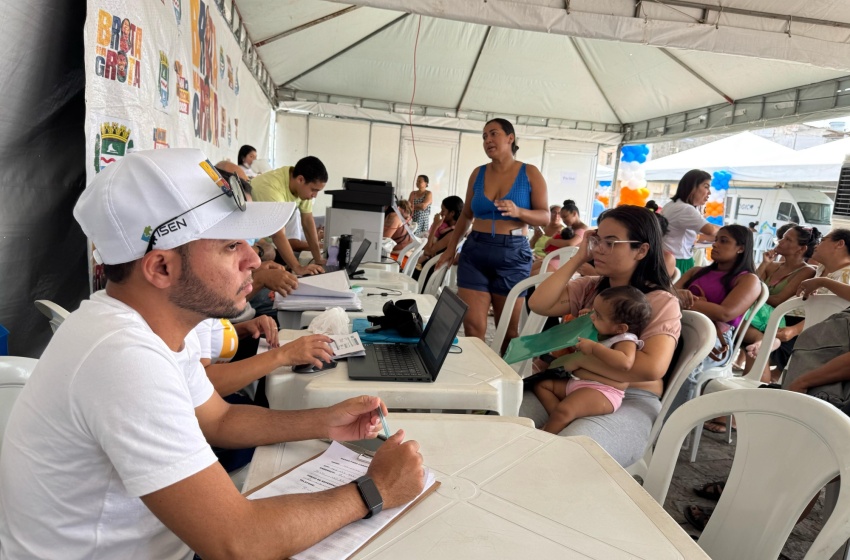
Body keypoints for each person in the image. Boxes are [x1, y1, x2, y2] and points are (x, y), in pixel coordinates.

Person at [0, 149, 425, 558]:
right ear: (161, 268)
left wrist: (322, 422)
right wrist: (376, 490)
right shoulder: (123, 357)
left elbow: (218, 419)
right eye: (229, 246)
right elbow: (238, 543)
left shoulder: (152, 328)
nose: (253, 259)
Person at [522, 205, 681, 467]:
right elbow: (540, 304)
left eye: (612, 242)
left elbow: (650, 368)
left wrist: (579, 360)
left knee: (569, 456)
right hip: (572, 386)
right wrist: (577, 257)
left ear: (641, 250)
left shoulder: (661, 302)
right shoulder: (591, 286)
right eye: (598, 240)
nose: (600, 249)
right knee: (506, 422)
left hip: (629, 399)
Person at [437, 118, 549, 344]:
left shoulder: (530, 173)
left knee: (507, 331)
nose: (487, 140)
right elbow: (466, 215)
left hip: (512, 254)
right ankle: (477, 377)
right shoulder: (477, 173)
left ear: (510, 138)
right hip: (475, 250)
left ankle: (504, 378)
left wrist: (519, 211)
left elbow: (545, 216)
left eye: (493, 134)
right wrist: (450, 249)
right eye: (484, 136)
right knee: (473, 328)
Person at [532, 286, 652, 434]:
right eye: (594, 311)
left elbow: (625, 362)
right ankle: (560, 419)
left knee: (565, 410)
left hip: (602, 392)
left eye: (598, 315)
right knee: (542, 386)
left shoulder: (626, 339)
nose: (592, 316)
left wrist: (594, 348)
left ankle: (546, 435)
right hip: (580, 383)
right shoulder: (603, 331)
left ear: (620, 328)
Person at [672, 225, 761, 415]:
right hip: (677, 328)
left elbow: (725, 313)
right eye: (716, 239)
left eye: (724, 241)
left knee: (685, 367)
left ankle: (670, 425)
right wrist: (694, 302)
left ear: (741, 248)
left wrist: (685, 300)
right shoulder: (696, 271)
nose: (716, 244)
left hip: (714, 341)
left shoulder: (748, 280)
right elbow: (666, 296)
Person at [738, 225, 818, 383]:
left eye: (788, 239)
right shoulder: (772, 266)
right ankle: (751, 391)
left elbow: (778, 300)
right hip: (760, 318)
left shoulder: (807, 271)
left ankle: (753, 392)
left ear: (800, 249)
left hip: (781, 323)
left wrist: (756, 294)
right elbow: (749, 285)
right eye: (782, 237)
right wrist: (764, 264)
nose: (780, 241)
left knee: (736, 319)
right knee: (739, 325)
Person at [250, 156, 328, 275]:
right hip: (252, 242)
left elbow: (307, 221)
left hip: (268, 241)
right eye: (314, 190)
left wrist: (318, 259)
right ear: (300, 179)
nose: (315, 195)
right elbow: (278, 234)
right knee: (286, 272)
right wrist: (298, 268)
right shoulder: (272, 188)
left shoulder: (300, 187)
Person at [660, 169, 721, 275]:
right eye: (706, 187)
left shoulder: (672, 205)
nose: (709, 192)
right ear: (692, 187)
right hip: (678, 261)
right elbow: (710, 230)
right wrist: (730, 230)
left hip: (667, 257)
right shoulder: (685, 209)